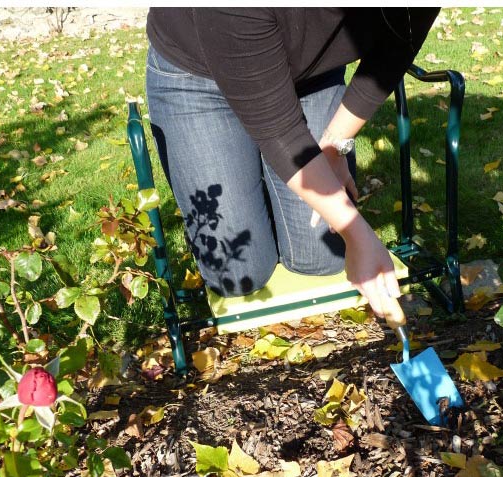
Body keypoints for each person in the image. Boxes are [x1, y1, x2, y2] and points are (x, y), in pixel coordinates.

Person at [145, 8, 440, 318]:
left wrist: (335, 146)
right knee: (237, 274)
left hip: (311, 77)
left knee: (324, 257)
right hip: (198, 80)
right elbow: (277, 130)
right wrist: (358, 233)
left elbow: (394, 49)